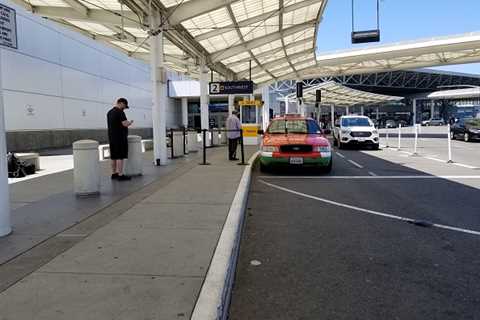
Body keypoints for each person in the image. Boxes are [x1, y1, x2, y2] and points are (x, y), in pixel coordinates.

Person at [107, 98, 133, 181]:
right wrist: (130, 122)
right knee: (120, 157)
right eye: (125, 106)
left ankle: (114, 173)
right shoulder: (120, 112)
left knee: (113, 157)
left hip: (111, 137)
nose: (124, 108)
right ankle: (120, 175)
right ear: (121, 103)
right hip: (120, 138)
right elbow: (124, 124)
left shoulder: (109, 112)